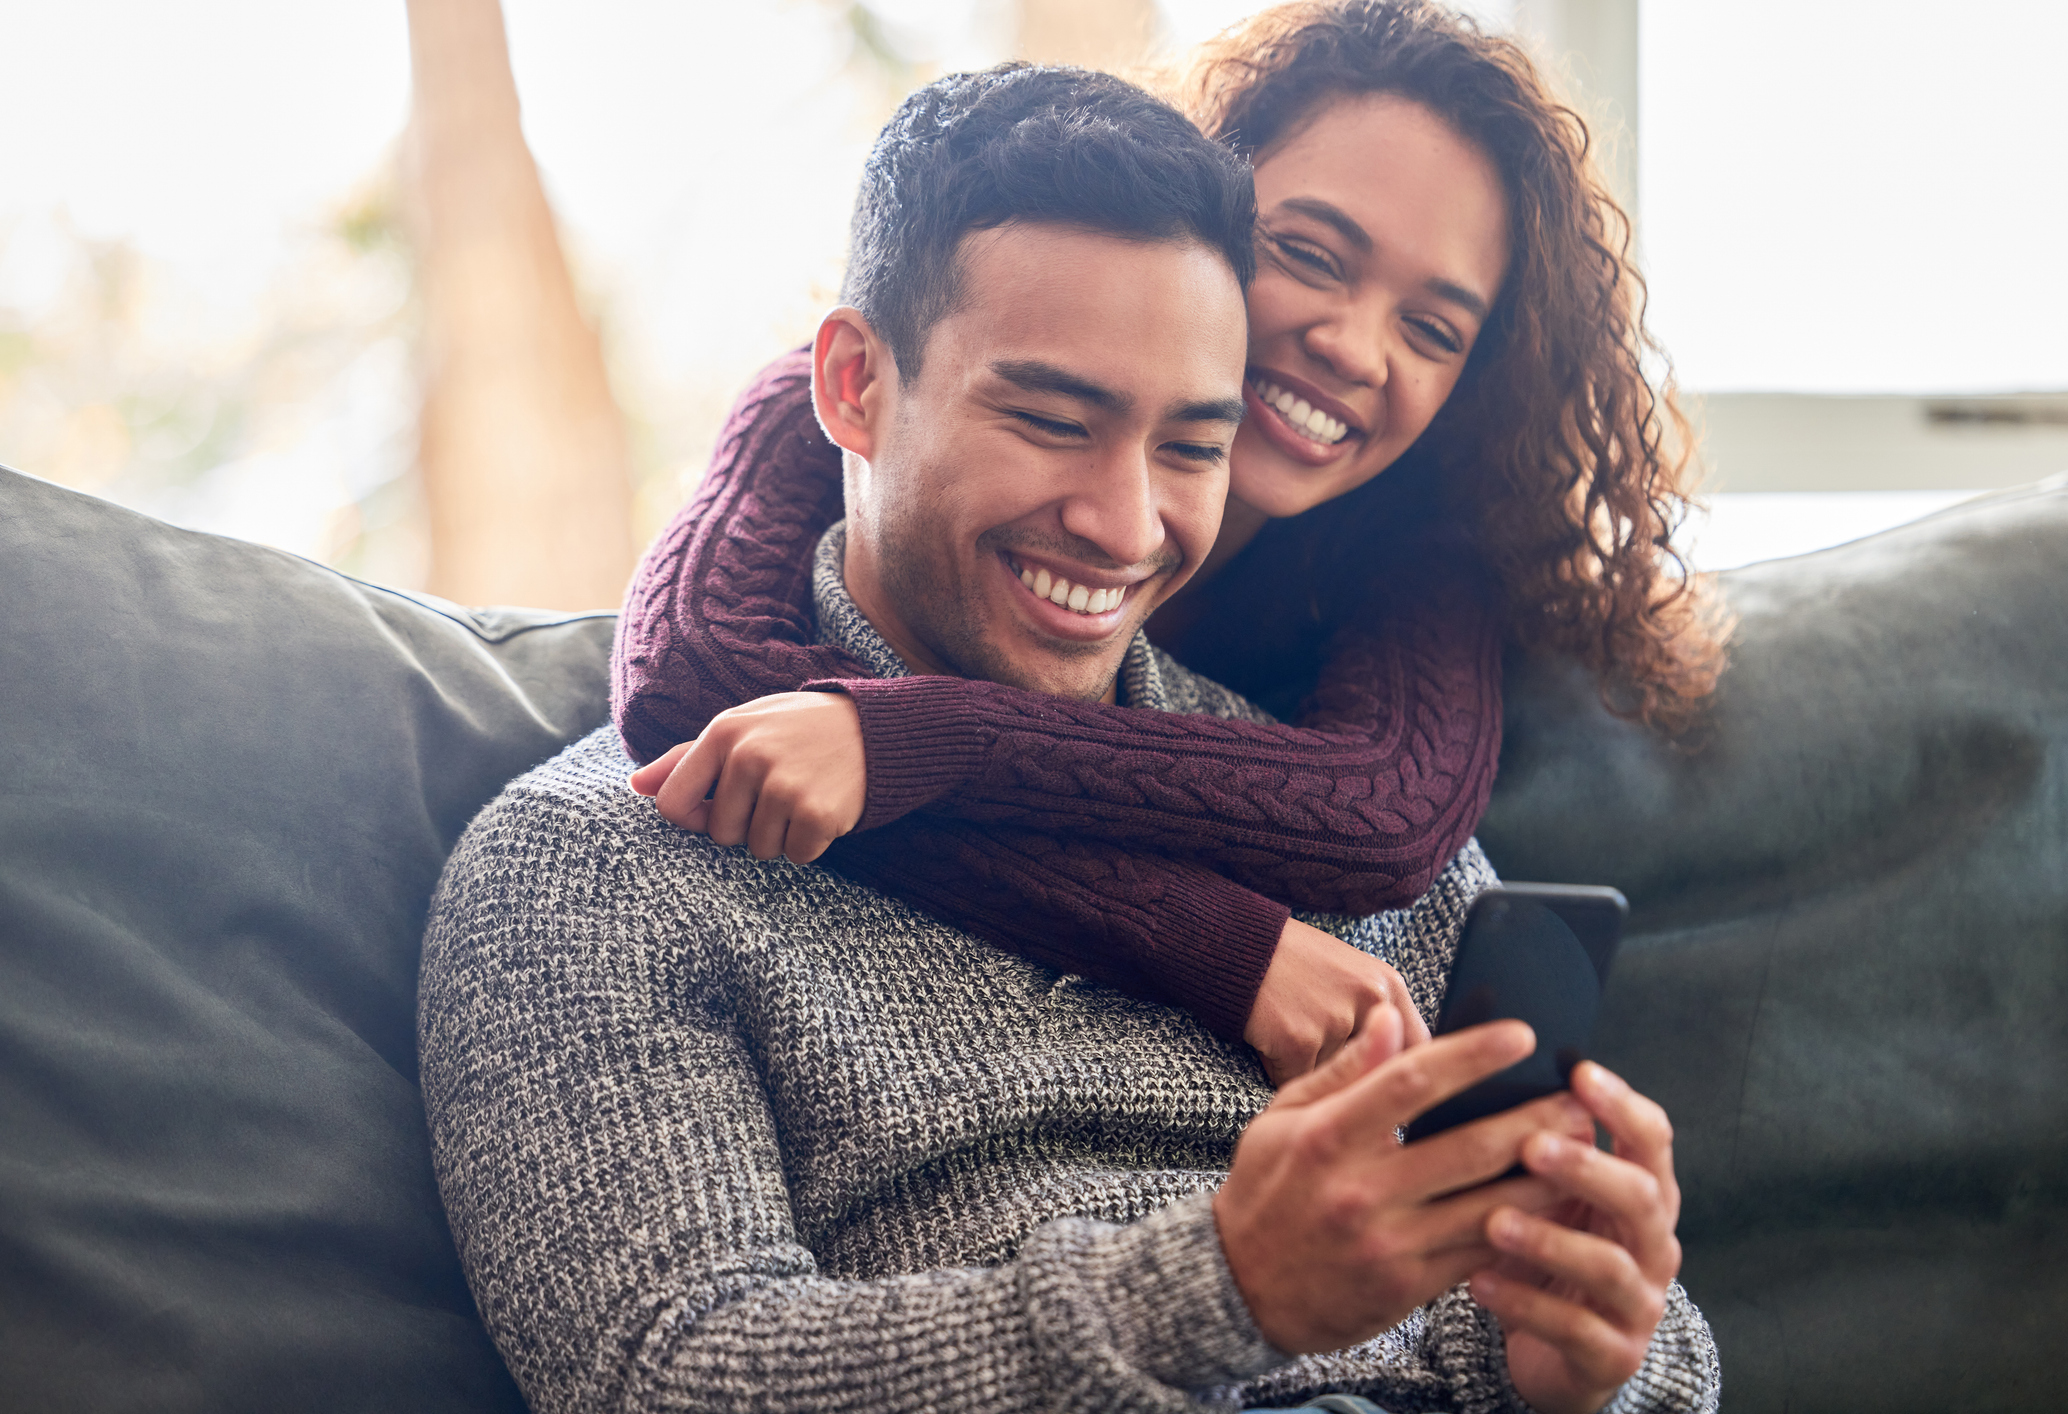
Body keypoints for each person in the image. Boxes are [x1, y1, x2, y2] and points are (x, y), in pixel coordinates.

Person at [421, 62, 1716, 1414]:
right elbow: (670, 1378)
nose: (1123, 524)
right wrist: (1224, 1287)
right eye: (1051, 421)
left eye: (1190, 447)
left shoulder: (1361, 849)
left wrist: (1582, 1362)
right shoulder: (593, 868)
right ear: (857, 386)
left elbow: (1672, 1356)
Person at [614, 0, 1726, 1086]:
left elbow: (1376, 822)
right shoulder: (833, 415)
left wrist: (909, 741)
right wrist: (1218, 944)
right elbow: (696, 696)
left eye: (1429, 328)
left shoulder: (1415, 559)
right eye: (1309, 253)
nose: (1351, 346)